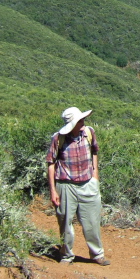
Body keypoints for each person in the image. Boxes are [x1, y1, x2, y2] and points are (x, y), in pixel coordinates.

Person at [46, 107, 110, 265]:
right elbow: (50, 163)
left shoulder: (89, 133)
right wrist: (53, 190)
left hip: (88, 183)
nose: (83, 122)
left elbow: (95, 152)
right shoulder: (58, 138)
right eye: (80, 120)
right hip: (65, 185)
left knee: (92, 222)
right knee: (65, 222)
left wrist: (95, 176)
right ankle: (66, 255)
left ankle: (97, 254)